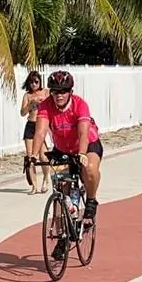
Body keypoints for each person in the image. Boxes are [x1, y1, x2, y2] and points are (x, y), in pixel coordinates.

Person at [34, 70, 103, 260]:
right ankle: (62, 238)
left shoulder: (80, 105)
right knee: (61, 193)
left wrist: (81, 154)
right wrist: (31, 156)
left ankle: (91, 201)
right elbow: (40, 132)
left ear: (70, 92)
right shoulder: (46, 106)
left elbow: (83, 134)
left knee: (89, 169)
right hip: (62, 149)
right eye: (55, 91)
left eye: (64, 91)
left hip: (87, 144)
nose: (59, 95)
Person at [19, 70, 46, 194]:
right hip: (30, 124)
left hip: (41, 124)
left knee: (43, 156)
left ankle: (46, 179)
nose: (34, 84)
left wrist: (42, 101)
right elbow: (22, 113)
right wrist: (30, 105)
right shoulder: (27, 96)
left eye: (36, 82)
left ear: (40, 82)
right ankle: (34, 186)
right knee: (30, 157)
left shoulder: (45, 92)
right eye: (31, 82)